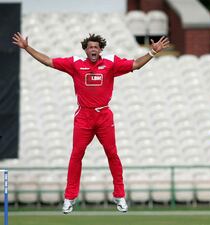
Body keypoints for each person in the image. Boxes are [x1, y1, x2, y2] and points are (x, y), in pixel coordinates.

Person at [12, 32, 169, 214]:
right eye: (90, 47)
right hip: (84, 116)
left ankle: (119, 195)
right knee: (76, 155)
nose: (93, 49)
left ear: (101, 49)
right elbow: (48, 61)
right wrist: (27, 48)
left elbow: (135, 65)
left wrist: (152, 53)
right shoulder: (75, 63)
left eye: (96, 47)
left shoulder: (111, 62)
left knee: (113, 154)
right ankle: (69, 198)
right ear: (85, 50)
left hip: (103, 115)